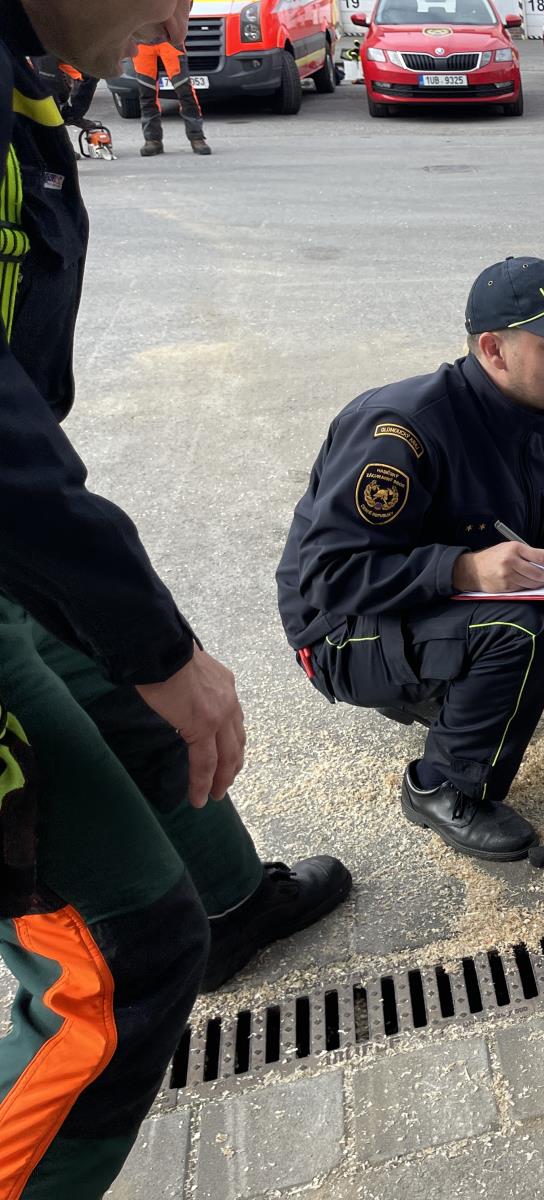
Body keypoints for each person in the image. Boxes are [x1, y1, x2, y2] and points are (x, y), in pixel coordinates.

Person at [0, 2, 349, 1197]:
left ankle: (235, 907)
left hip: (12, 546)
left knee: (139, 717)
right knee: (118, 965)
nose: (179, 20)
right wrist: (156, 640)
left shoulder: (33, 74)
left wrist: (133, 648)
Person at [277, 257, 544, 862]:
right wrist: (464, 569)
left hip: (436, 610)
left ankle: (452, 698)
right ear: (494, 350)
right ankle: (441, 787)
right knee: (522, 628)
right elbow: (330, 576)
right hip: (341, 633)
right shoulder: (400, 428)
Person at [132, 31, 209, 155]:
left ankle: (197, 137)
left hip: (170, 41)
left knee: (185, 91)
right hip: (141, 43)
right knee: (146, 93)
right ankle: (152, 140)